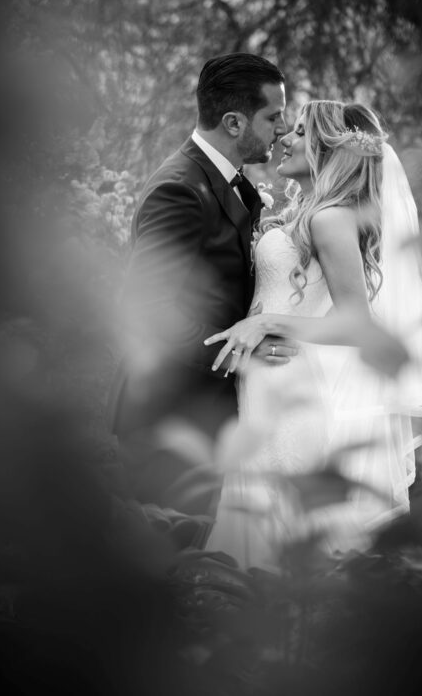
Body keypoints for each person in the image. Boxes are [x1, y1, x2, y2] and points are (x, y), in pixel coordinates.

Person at [204, 101, 422, 570]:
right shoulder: (306, 213)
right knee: (259, 520)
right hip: (267, 383)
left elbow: (357, 323)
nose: (285, 138)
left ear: (323, 148)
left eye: (299, 131)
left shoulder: (330, 217)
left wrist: (264, 322)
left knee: (288, 532)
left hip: (295, 390)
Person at [107, 53, 297, 537]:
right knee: (171, 572)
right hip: (172, 422)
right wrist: (241, 353)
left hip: (214, 416)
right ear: (234, 122)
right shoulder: (179, 189)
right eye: (273, 117)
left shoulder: (232, 185)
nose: (282, 128)